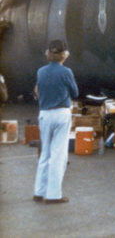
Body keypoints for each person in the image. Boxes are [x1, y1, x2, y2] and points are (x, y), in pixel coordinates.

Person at [33, 40, 79, 204]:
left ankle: (38, 191)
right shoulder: (66, 71)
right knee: (58, 154)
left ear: (48, 54)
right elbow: (75, 92)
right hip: (61, 113)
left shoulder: (40, 71)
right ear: (64, 55)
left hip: (44, 113)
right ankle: (53, 195)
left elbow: (38, 90)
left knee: (45, 153)